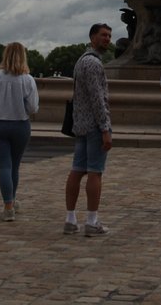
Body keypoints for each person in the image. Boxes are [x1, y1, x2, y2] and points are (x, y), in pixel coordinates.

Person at [64, 23, 113, 237]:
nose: (107, 39)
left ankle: (70, 218)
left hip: (80, 124)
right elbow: (97, 99)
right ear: (92, 37)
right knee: (95, 171)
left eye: (109, 36)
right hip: (93, 125)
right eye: (103, 35)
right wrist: (105, 128)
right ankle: (92, 221)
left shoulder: (81, 60)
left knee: (77, 170)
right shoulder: (93, 64)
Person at [0, 42, 39, 221]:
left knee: (4, 165)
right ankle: (11, 200)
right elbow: (33, 107)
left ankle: (8, 206)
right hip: (20, 125)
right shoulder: (27, 79)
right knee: (15, 165)